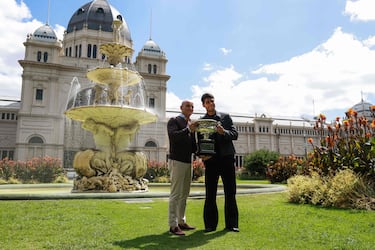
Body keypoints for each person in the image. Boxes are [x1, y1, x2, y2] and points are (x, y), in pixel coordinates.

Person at [199, 93, 239, 233]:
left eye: (212, 101)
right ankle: (210, 225)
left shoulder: (225, 117)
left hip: (227, 159)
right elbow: (200, 141)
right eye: (208, 102)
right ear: (204, 105)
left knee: (230, 192)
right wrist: (202, 155)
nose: (211, 103)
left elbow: (235, 134)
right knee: (210, 193)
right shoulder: (201, 121)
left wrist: (224, 132)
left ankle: (232, 225)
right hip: (211, 161)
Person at [167, 100, 198, 236]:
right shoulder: (174, 121)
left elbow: (192, 146)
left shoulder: (190, 124)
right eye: (187, 106)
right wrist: (188, 130)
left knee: (184, 193)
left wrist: (202, 152)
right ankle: (173, 225)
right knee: (175, 194)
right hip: (177, 161)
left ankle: (181, 221)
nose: (190, 108)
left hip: (188, 162)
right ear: (181, 108)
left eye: (192, 106)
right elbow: (173, 137)